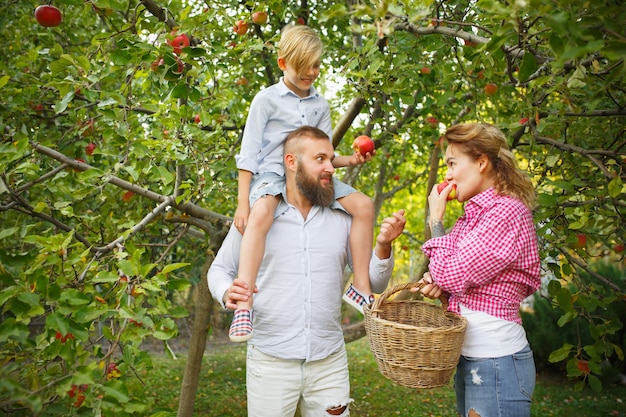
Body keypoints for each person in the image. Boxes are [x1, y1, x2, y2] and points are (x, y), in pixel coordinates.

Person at [208, 126, 406, 417]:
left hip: (329, 363)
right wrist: (227, 292)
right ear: (291, 162)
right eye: (320, 159)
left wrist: (384, 246)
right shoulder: (257, 216)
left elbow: (373, 282)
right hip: (270, 361)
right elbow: (220, 270)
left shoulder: (343, 219)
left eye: (331, 159)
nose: (330, 168)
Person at [230, 24, 376, 343]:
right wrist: (243, 203)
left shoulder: (320, 106)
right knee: (261, 215)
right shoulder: (266, 101)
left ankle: (361, 287)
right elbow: (248, 155)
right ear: (283, 64)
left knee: (364, 206)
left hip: (309, 176)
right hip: (271, 173)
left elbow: (325, 154)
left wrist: (350, 160)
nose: (312, 72)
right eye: (304, 66)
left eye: (316, 65)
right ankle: (244, 303)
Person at [414, 123, 541, 417]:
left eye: (452, 163)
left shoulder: (505, 212)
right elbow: (447, 275)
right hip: (474, 358)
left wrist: (435, 220)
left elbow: (452, 272)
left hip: (496, 361)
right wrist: (436, 284)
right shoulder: (472, 218)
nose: (446, 174)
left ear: (481, 162)